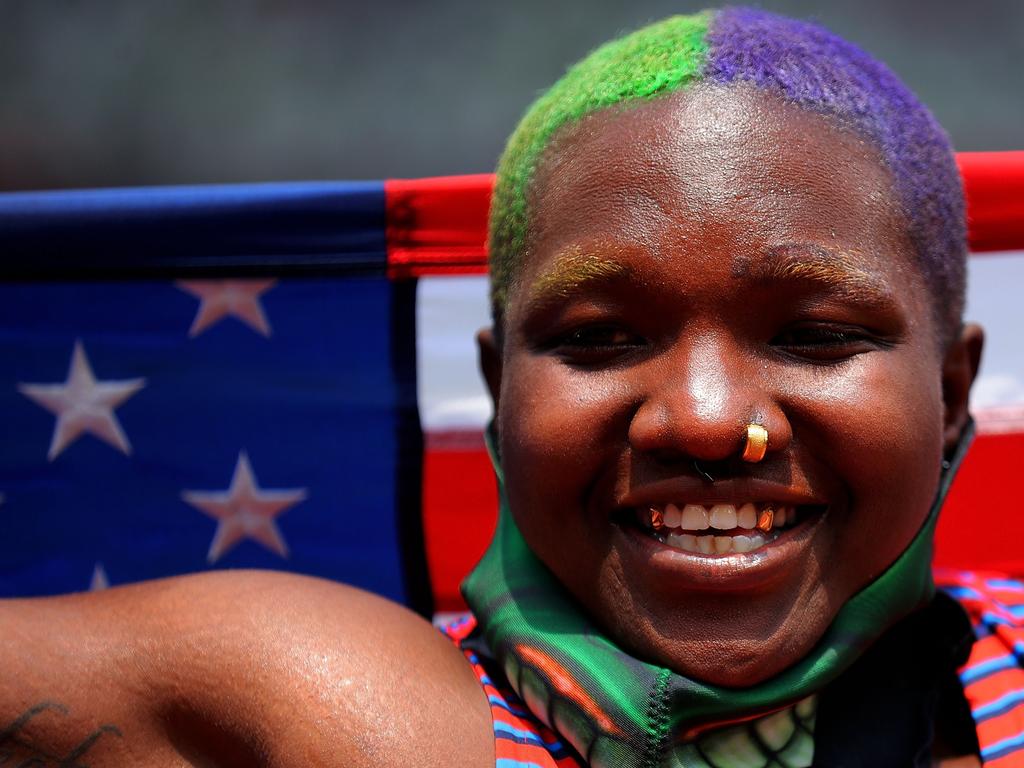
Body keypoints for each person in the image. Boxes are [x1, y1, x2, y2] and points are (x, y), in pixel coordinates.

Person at [0, 7, 1015, 767]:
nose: (706, 421)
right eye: (602, 338)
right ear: (496, 391)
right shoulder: (348, 718)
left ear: (954, 393)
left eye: (814, 335)